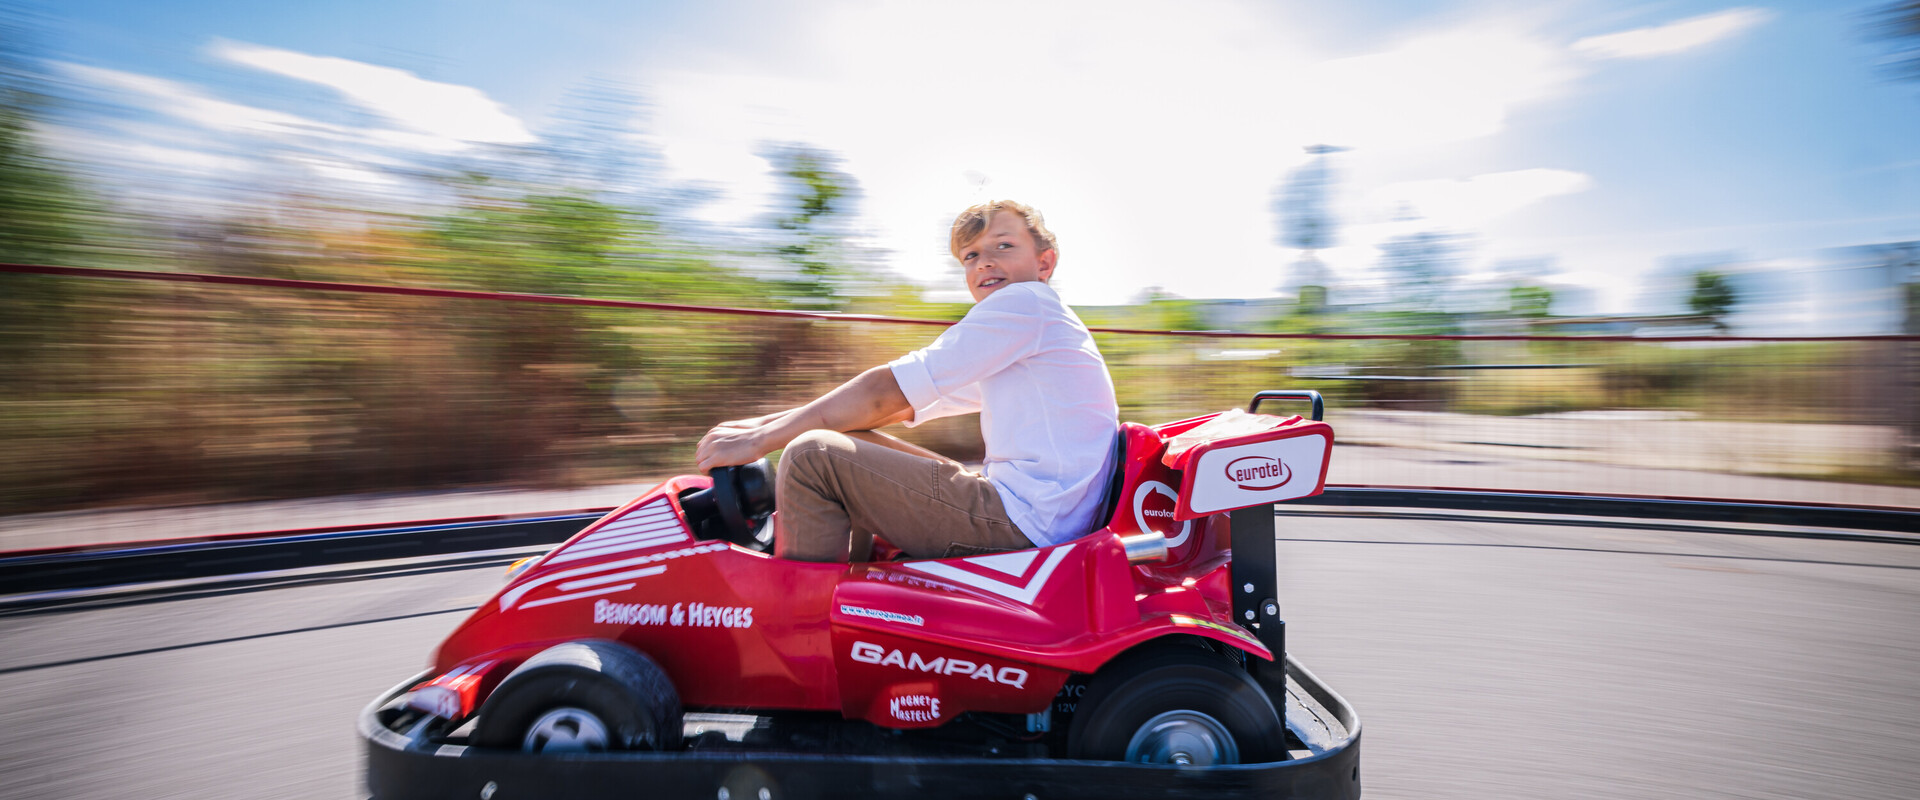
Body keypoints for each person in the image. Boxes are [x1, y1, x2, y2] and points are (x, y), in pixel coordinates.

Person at [693, 200, 1119, 562]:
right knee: (844, 434)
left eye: (1003, 246)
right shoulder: (1033, 330)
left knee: (812, 456)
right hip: (1039, 513)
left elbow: (885, 392)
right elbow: (904, 405)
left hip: (1027, 523)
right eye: (970, 256)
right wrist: (761, 425)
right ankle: (847, 582)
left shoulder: (1025, 303)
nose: (985, 261)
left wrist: (760, 441)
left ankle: (799, 629)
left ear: (1043, 263)